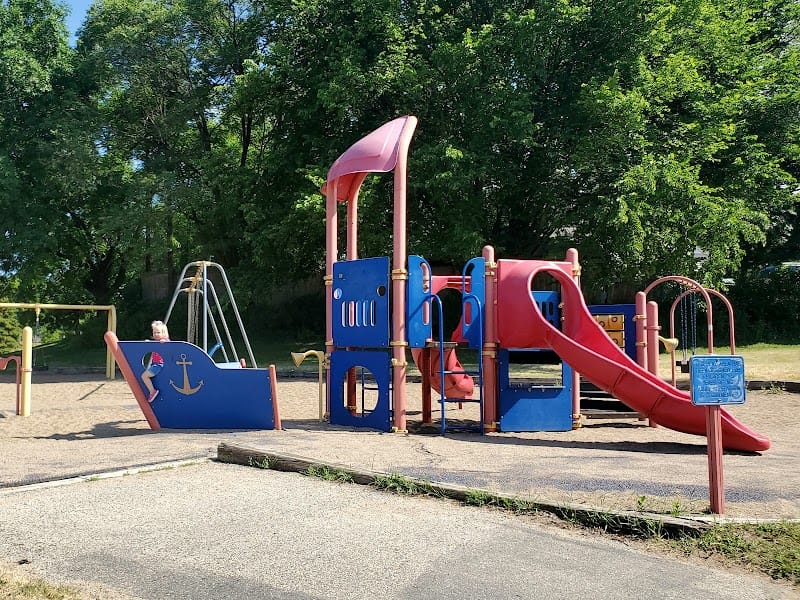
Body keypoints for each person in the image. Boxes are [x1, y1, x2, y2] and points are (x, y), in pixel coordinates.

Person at [141, 320, 169, 402]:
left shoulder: (164, 341)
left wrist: (165, 341)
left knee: (144, 376)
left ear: (163, 333)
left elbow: (169, 344)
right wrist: (148, 342)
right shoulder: (155, 342)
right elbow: (152, 345)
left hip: (159, 365)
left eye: (158, 332)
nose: (156, 334)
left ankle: (152, 391)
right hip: (154, 364)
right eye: (154, 332)